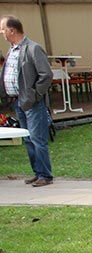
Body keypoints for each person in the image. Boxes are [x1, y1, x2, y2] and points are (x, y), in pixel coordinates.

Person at [0, 15, 53, 187]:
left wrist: (34, 96)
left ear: (12, 30)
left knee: (37, 139)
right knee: (28, 139)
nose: (1, 32)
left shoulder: (33, 48)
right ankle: (38, 173)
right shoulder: (12, 49)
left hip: (31, 102)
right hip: (18, 101)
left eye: (3, 29)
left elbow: (46, 75)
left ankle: (45, 175)